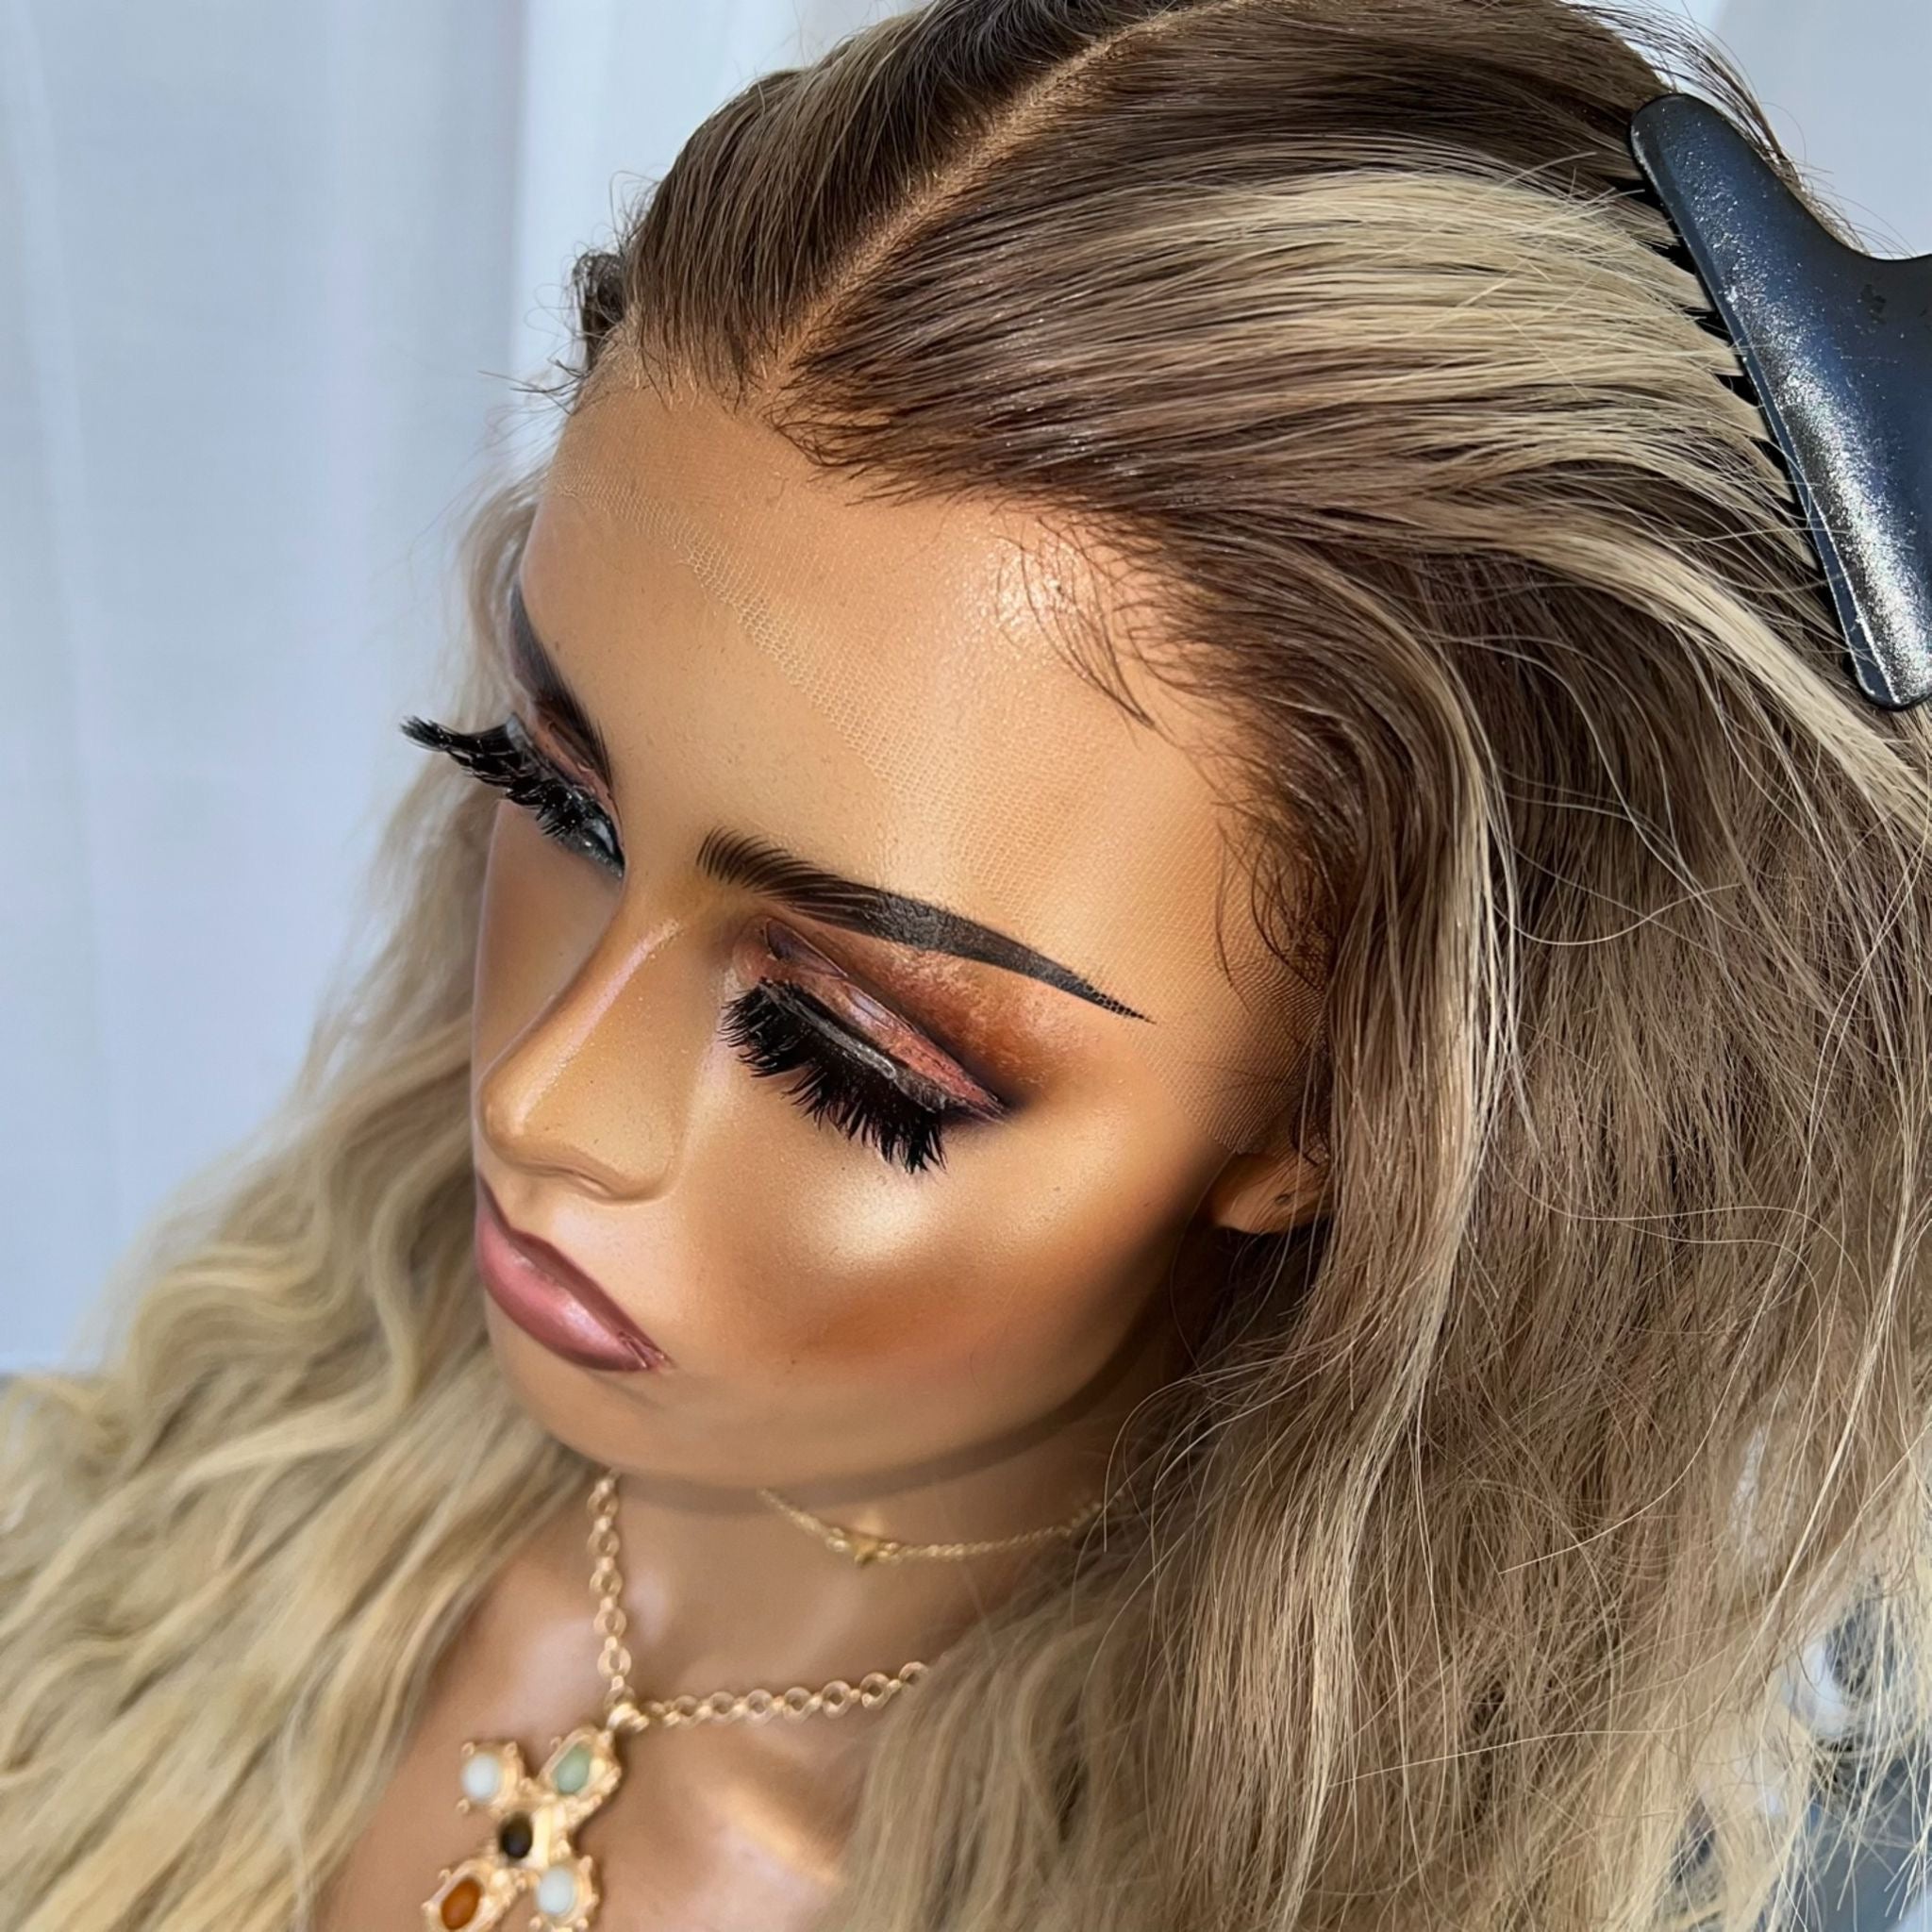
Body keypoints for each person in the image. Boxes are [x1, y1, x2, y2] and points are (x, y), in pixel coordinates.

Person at [5, 1, 1929, 1927]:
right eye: (557, 800)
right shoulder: (139, 1516)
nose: (539, 1103)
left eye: (847, 1047)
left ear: (1360, 1108)